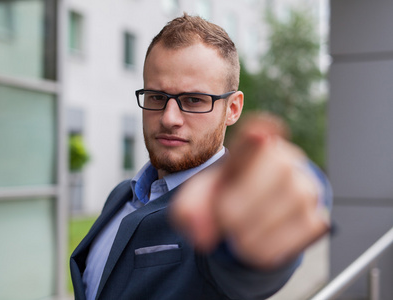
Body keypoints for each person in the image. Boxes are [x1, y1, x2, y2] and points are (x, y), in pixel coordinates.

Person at [70, 13, 332, 300]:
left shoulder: (221, 206)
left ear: (233, 108)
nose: (169, 118)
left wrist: (296, 189)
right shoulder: (122, 195)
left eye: (193, 100)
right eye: (157, 97)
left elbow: (243, 261)